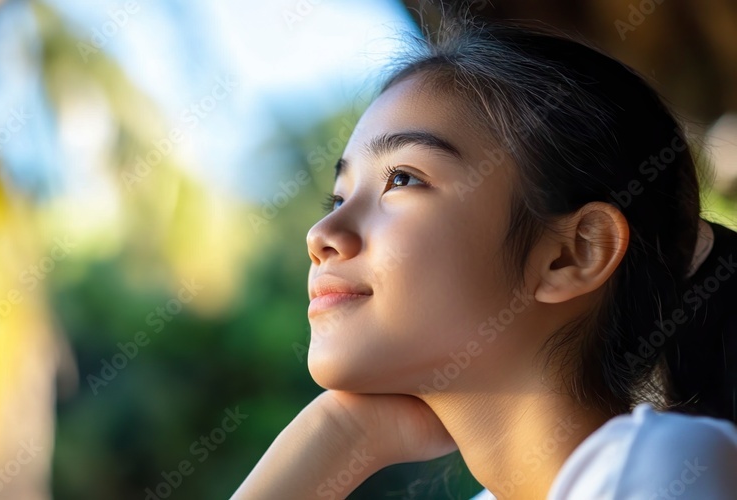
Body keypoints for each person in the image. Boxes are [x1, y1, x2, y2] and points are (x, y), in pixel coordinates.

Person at [233, 15, 737, 500]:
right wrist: (337, 434)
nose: (322, 234)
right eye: (338, 199)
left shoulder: (656, 463)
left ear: (572, 253)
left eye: (402, 179)